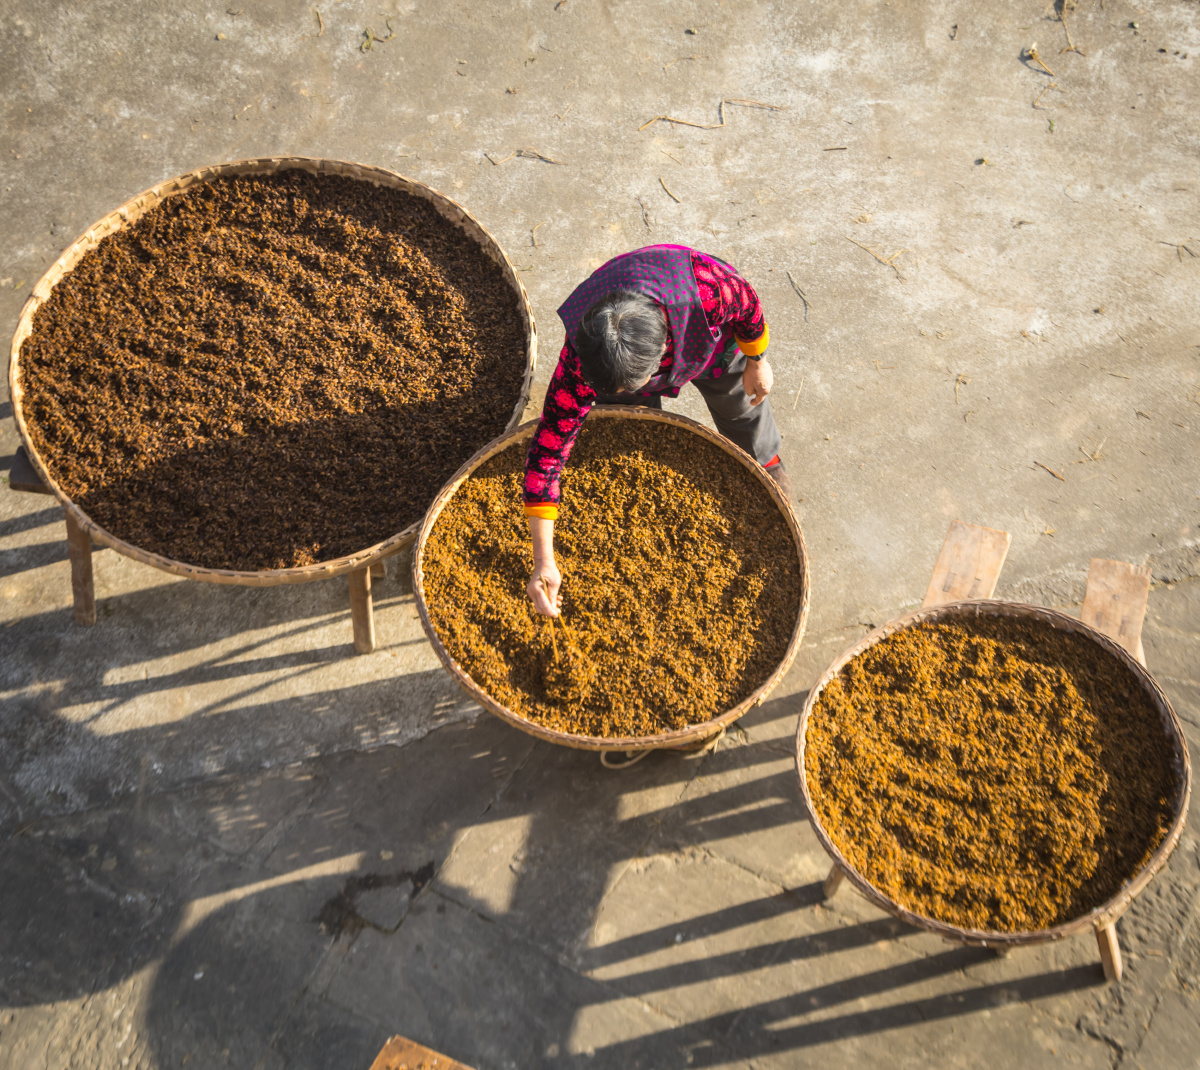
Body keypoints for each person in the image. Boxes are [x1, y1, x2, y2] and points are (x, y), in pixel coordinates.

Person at [524, 244, 791, 617]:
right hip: (631, 357)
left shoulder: (708, 291)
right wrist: (543, 561)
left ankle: (768, 466)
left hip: (707, 344)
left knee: (740, 402)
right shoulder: (582, 362)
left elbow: (747, 303)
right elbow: (547, 455)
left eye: (634, 382)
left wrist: (757, 358)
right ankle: (638, 464)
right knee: (628, 422)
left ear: (661, 353)